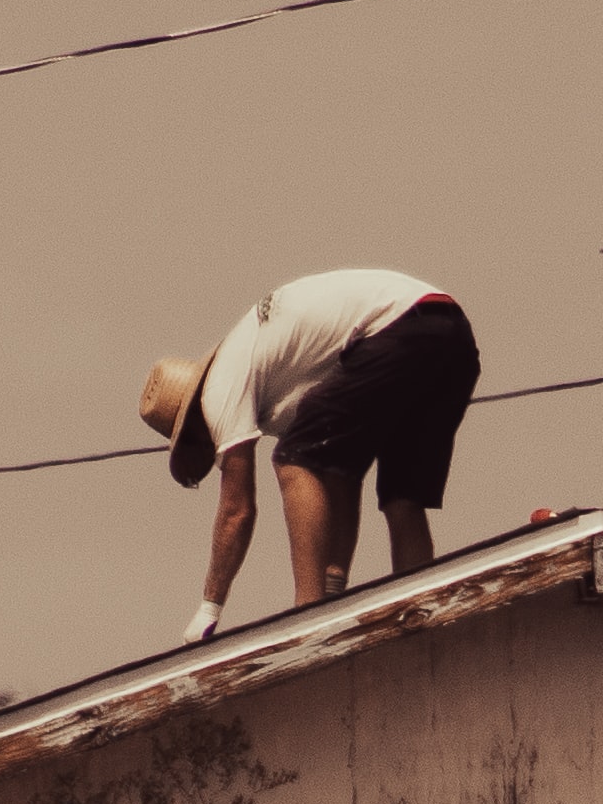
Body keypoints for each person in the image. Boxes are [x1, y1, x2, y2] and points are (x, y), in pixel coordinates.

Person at [139, 269, 482, 639]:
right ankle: (422, 618)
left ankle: (308, 615)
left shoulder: (219, 391)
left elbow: (237, 510)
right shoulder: (277, 374)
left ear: (193, 429)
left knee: (292, 458)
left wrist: (209, 608)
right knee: (403, 499)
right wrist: (337, 584)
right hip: (450, 333)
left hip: (395, 327)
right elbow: (340, 473)